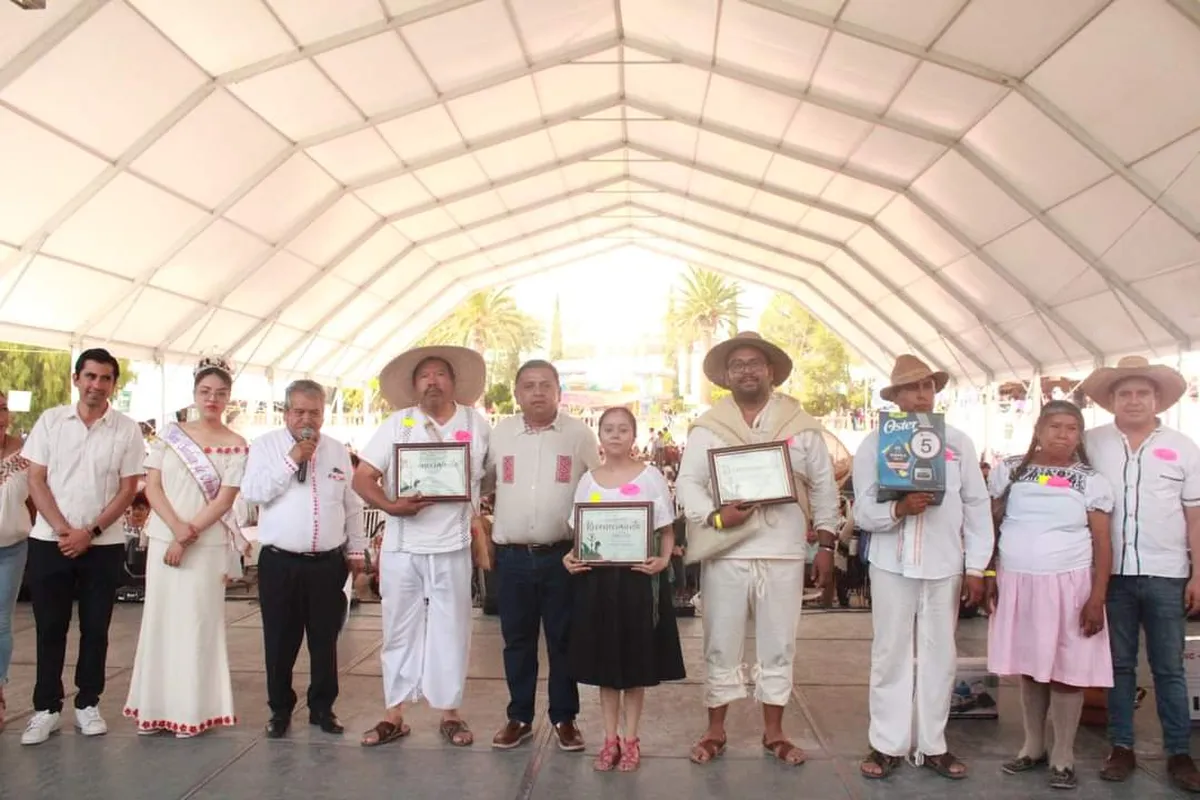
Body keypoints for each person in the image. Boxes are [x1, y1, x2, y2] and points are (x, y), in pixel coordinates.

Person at [675, 332, 839, 766]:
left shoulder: (800, 426)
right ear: (726, 376)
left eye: (754, 363)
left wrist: (825, 543)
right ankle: (715, 731)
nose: (746, 370)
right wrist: (715, 516)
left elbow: (824, 485)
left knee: (779, 642)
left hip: (784, 549)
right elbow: (687, 482)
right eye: (737, 365)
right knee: (720, 641)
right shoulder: (709, 426)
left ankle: (774, 733)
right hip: (727, 550)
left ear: (770, 371)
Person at [851, 355, 992, 780]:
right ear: (895, 398)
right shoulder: (874, 443)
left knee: (940, 655)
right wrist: (898, 509)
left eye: (928, 387)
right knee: (889, 652)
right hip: (891, 562)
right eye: (912, 388)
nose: (921, 395)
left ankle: (933, 744)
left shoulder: (958, 443)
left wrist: (978, 566)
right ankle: (887, 744)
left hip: (944, 562)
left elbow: (977, 504)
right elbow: (862, 509)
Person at [353, 345, 490, 748]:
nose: (433, 381)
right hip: (402, 545)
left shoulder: (475, 424)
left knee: (452, 628)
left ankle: (450, 713)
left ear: (453, 382)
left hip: (452, 544)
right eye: (424, 375)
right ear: (415, 385)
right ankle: (394, 714)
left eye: (440, 374)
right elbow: (363, 479)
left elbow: (490, 478)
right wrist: (393, 507)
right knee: (398, 627)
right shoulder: (398, 423)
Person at [1080, 356, 1200, 791]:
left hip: (1168, 573)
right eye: (1125, 393)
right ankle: (1121, 746)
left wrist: (1198, 575)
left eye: (1142, 393)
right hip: (1111, 577)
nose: (1133, 400)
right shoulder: (1091, 443)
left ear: (1156, 399)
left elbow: (1195, 517)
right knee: (1118, 666)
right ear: (1111, 400)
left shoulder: (1184, 447)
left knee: (1169, 667)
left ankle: (1180, 753)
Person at [985, 400, 1113, 790]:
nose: (1063, 434)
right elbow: (992, 522)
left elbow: (1104, 542)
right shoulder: (1009, 470)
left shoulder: (1092, 481)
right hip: (1018, 580)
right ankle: (1032, 746)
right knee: (1031, 664)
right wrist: (989, 572)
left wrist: (1097, 597)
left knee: (1067, 667)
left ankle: (1063, 754)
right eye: (1055, 426)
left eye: (1072, 428)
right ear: (1038, 430)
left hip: (1069, 585)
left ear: (1080, 435)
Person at [19, 348, 145, 745]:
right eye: (90, 376)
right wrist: (62, 529)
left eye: (105, 378)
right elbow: (36, 480)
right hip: (48, 542)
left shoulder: (126, 429)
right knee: (50, 628)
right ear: (76, 379)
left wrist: (88, 532)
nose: (97, 385)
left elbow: (128, 489)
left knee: (96, 628)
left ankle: (88, 703)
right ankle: (46, 709)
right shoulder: (51, 422)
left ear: (113, 384)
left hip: (102, 545)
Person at [123, 357, 249, 737]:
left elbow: (225, 500)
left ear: (229, 398)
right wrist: (177, 530)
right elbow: (153, 486)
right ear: (195, 394)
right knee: (161, 622)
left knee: (198, 625)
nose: (212, 398)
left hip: (206, 545)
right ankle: (154, 710)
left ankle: (192, 712)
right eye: (206, 391)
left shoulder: (237, 445)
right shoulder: (170, 433)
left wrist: (189, 532)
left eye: (220, 393)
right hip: (165, 539)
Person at [241, 379, 365, 739]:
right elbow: (253, 492)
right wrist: (291, 460)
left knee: (324, 640)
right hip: (280, 563)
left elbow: (351, 504)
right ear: (286, 413)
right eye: (299, 412)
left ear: (323, 414)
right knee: (280, 640)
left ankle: (323, 708)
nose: (307, 419)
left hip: (327, 564)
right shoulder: (265, 447)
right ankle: (280, 710)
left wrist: (355, 549)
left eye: (314, 412)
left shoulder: (337, 450)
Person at [485, 360, 599, 752]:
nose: (537, 392)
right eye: (529, 386)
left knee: (563, 640)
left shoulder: (578, 434)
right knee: (516, 640)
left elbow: (600, 487)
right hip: (512, 558)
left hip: (562, 558)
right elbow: (479, 482)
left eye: (545, 385)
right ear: (517, 393)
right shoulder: (500, 435)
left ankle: (565, 719)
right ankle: (519, 717)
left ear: (558, 392)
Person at [563, 406, 684, 772]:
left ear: (634, 436)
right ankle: (609, 739)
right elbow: (579, 534)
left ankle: (632, 740)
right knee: (605, 665)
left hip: (637, 580)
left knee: (634, 663)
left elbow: (666, 529)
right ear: (599, 436)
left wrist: (663, 561)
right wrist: (570, 558)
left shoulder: (650, 478)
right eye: (608, 429)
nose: (615, 435)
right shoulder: (588, 481)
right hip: (597, 583)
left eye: (623, 429)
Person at [0, 391, 32, 731]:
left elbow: (36, 493)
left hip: (11, 547)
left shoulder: (25, 452)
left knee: (1, 623)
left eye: (4, 408)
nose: (0, 415)